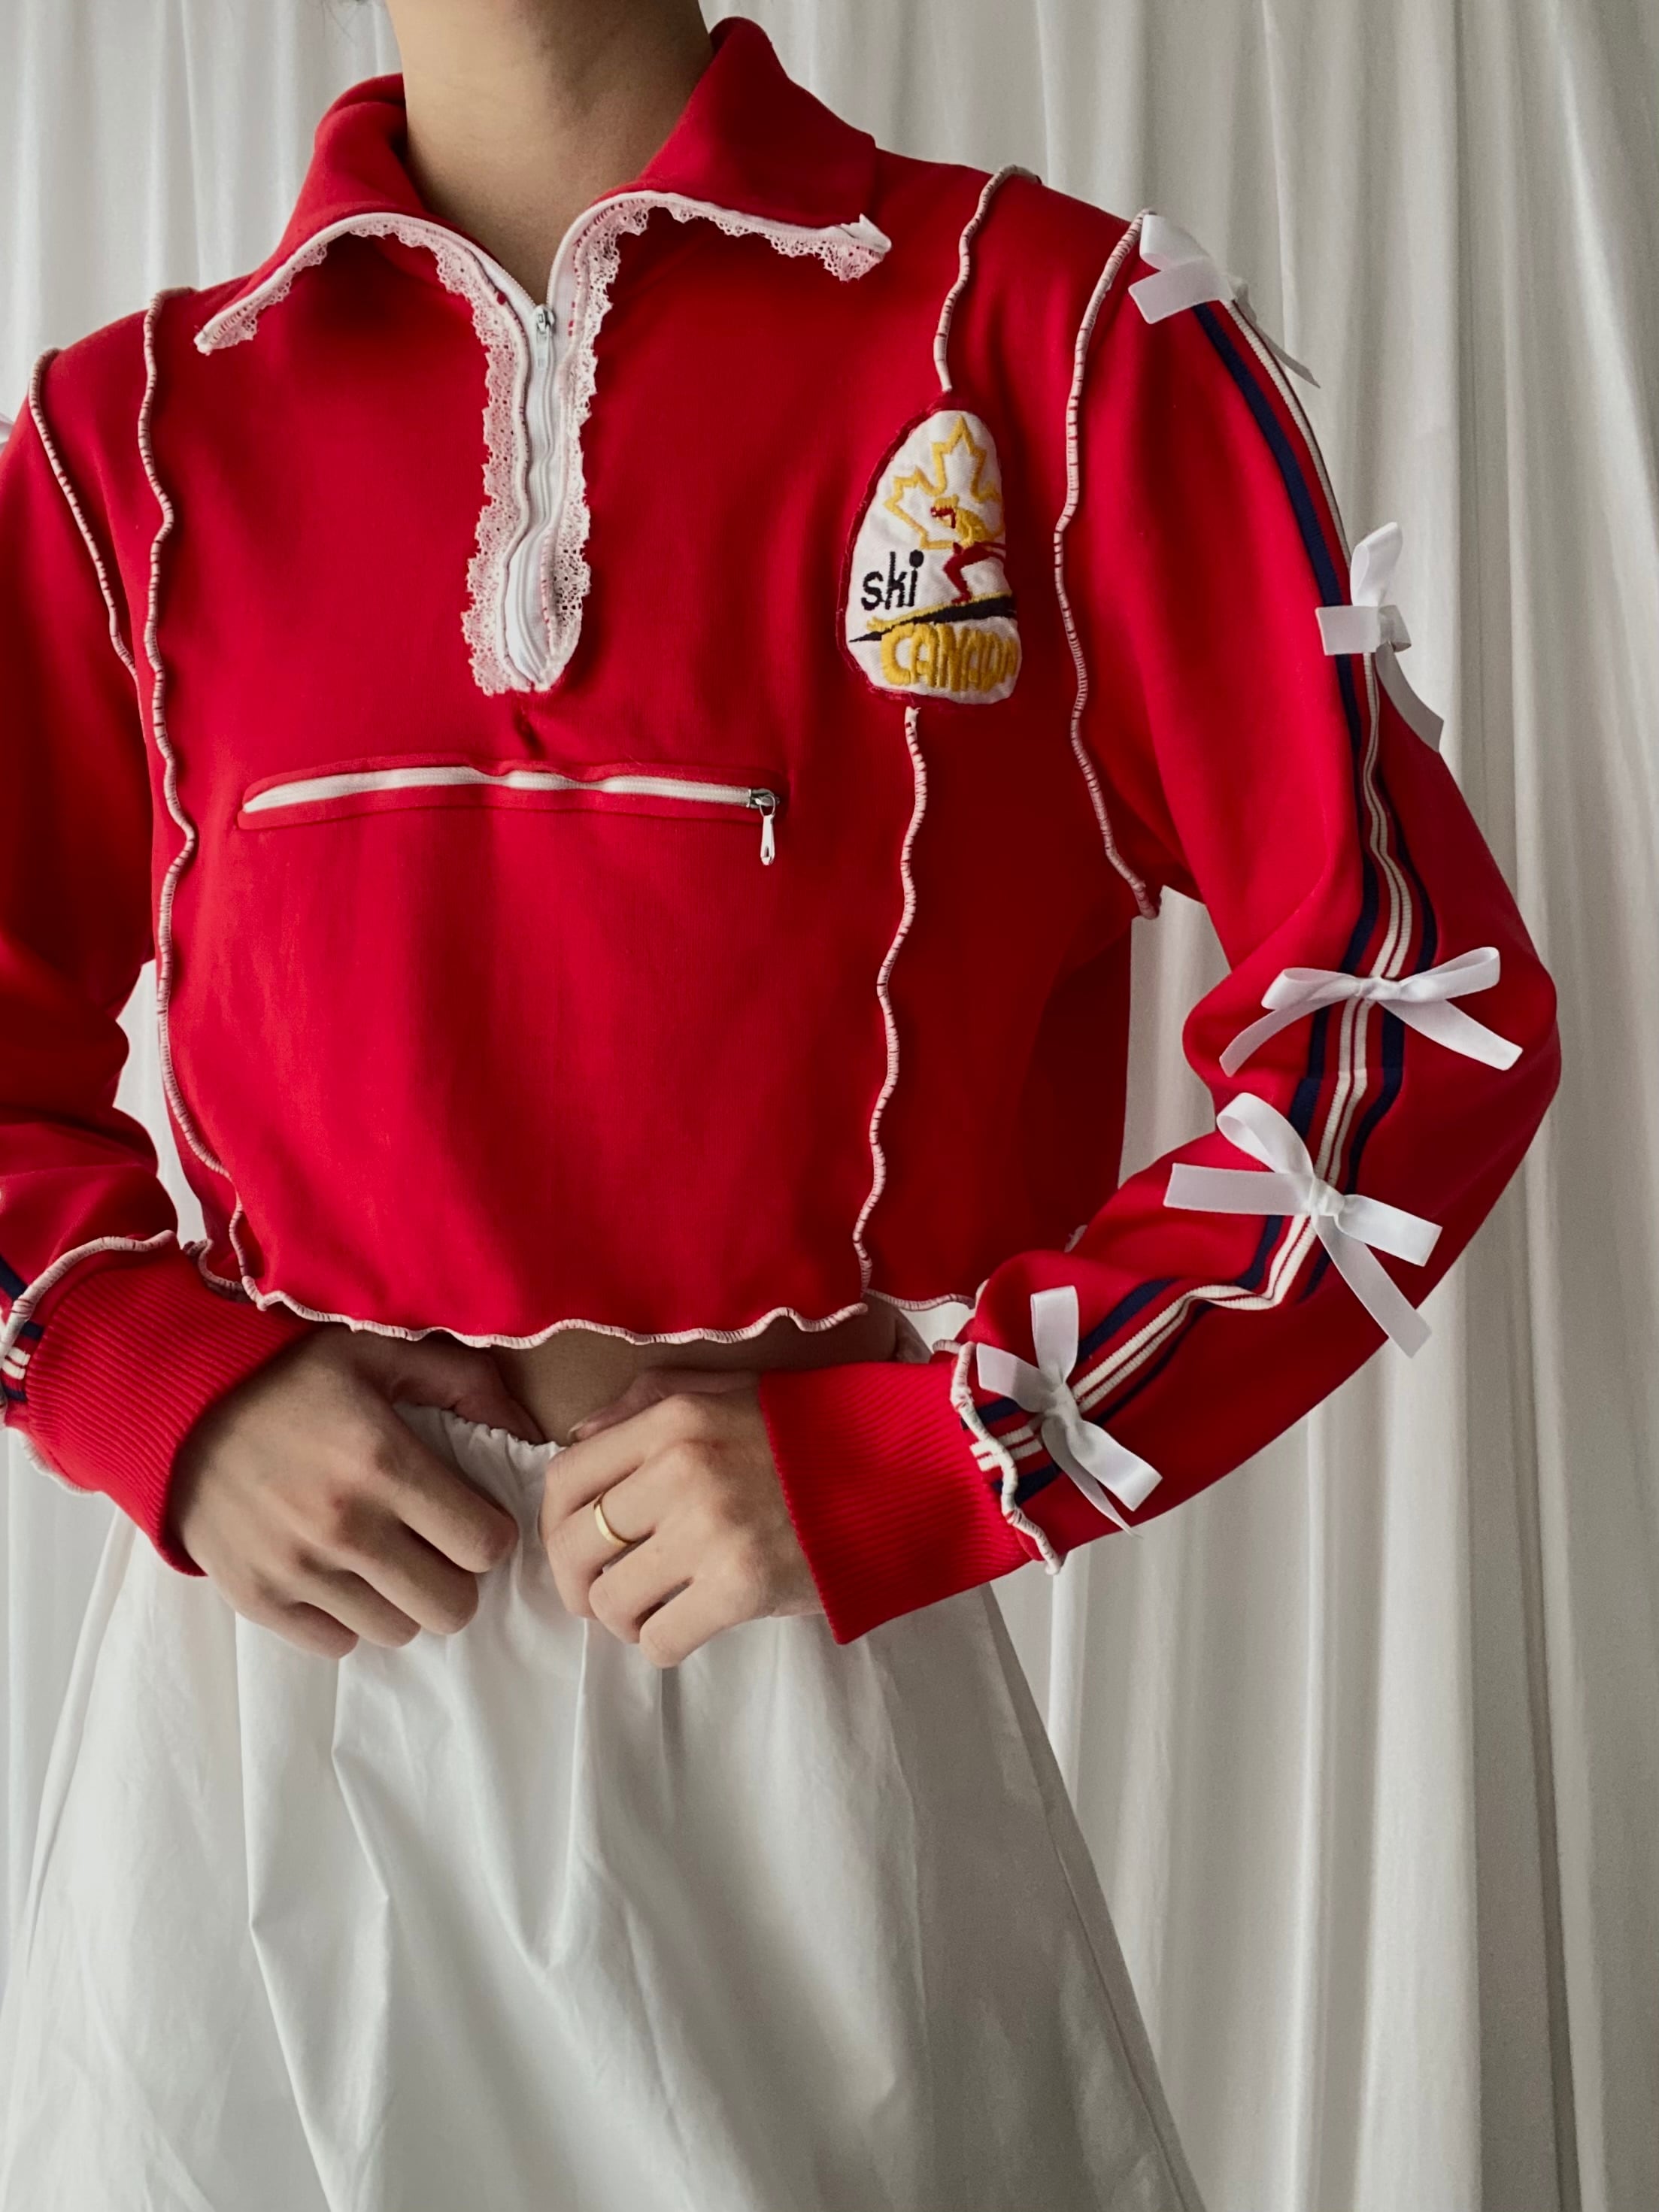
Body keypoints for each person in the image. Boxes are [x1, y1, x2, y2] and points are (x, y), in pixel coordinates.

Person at [0, 2, 1558, 2205]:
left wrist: (938, 1453)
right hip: (264, 1732)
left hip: (790, 1698)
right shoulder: (126, 435)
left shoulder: (1047, 336)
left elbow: (1414, 1012)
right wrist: (158, 1388)